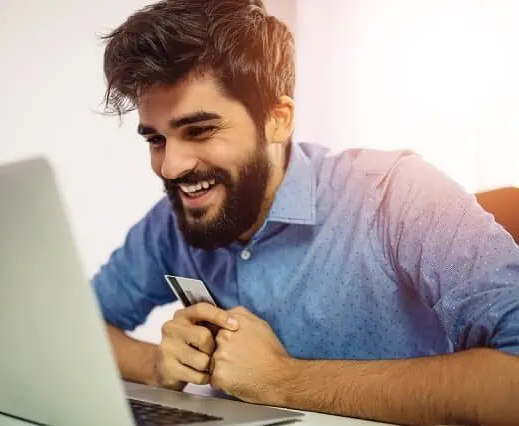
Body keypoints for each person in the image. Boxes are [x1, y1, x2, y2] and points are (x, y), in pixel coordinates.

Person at [92, 0, 519, 424]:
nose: (171, 166)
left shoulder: (398, 196)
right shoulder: (174, 218)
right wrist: (155, 365)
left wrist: (286, 380)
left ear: (278, 119)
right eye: (156, 140)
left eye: (199, 130)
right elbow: (81, 325)